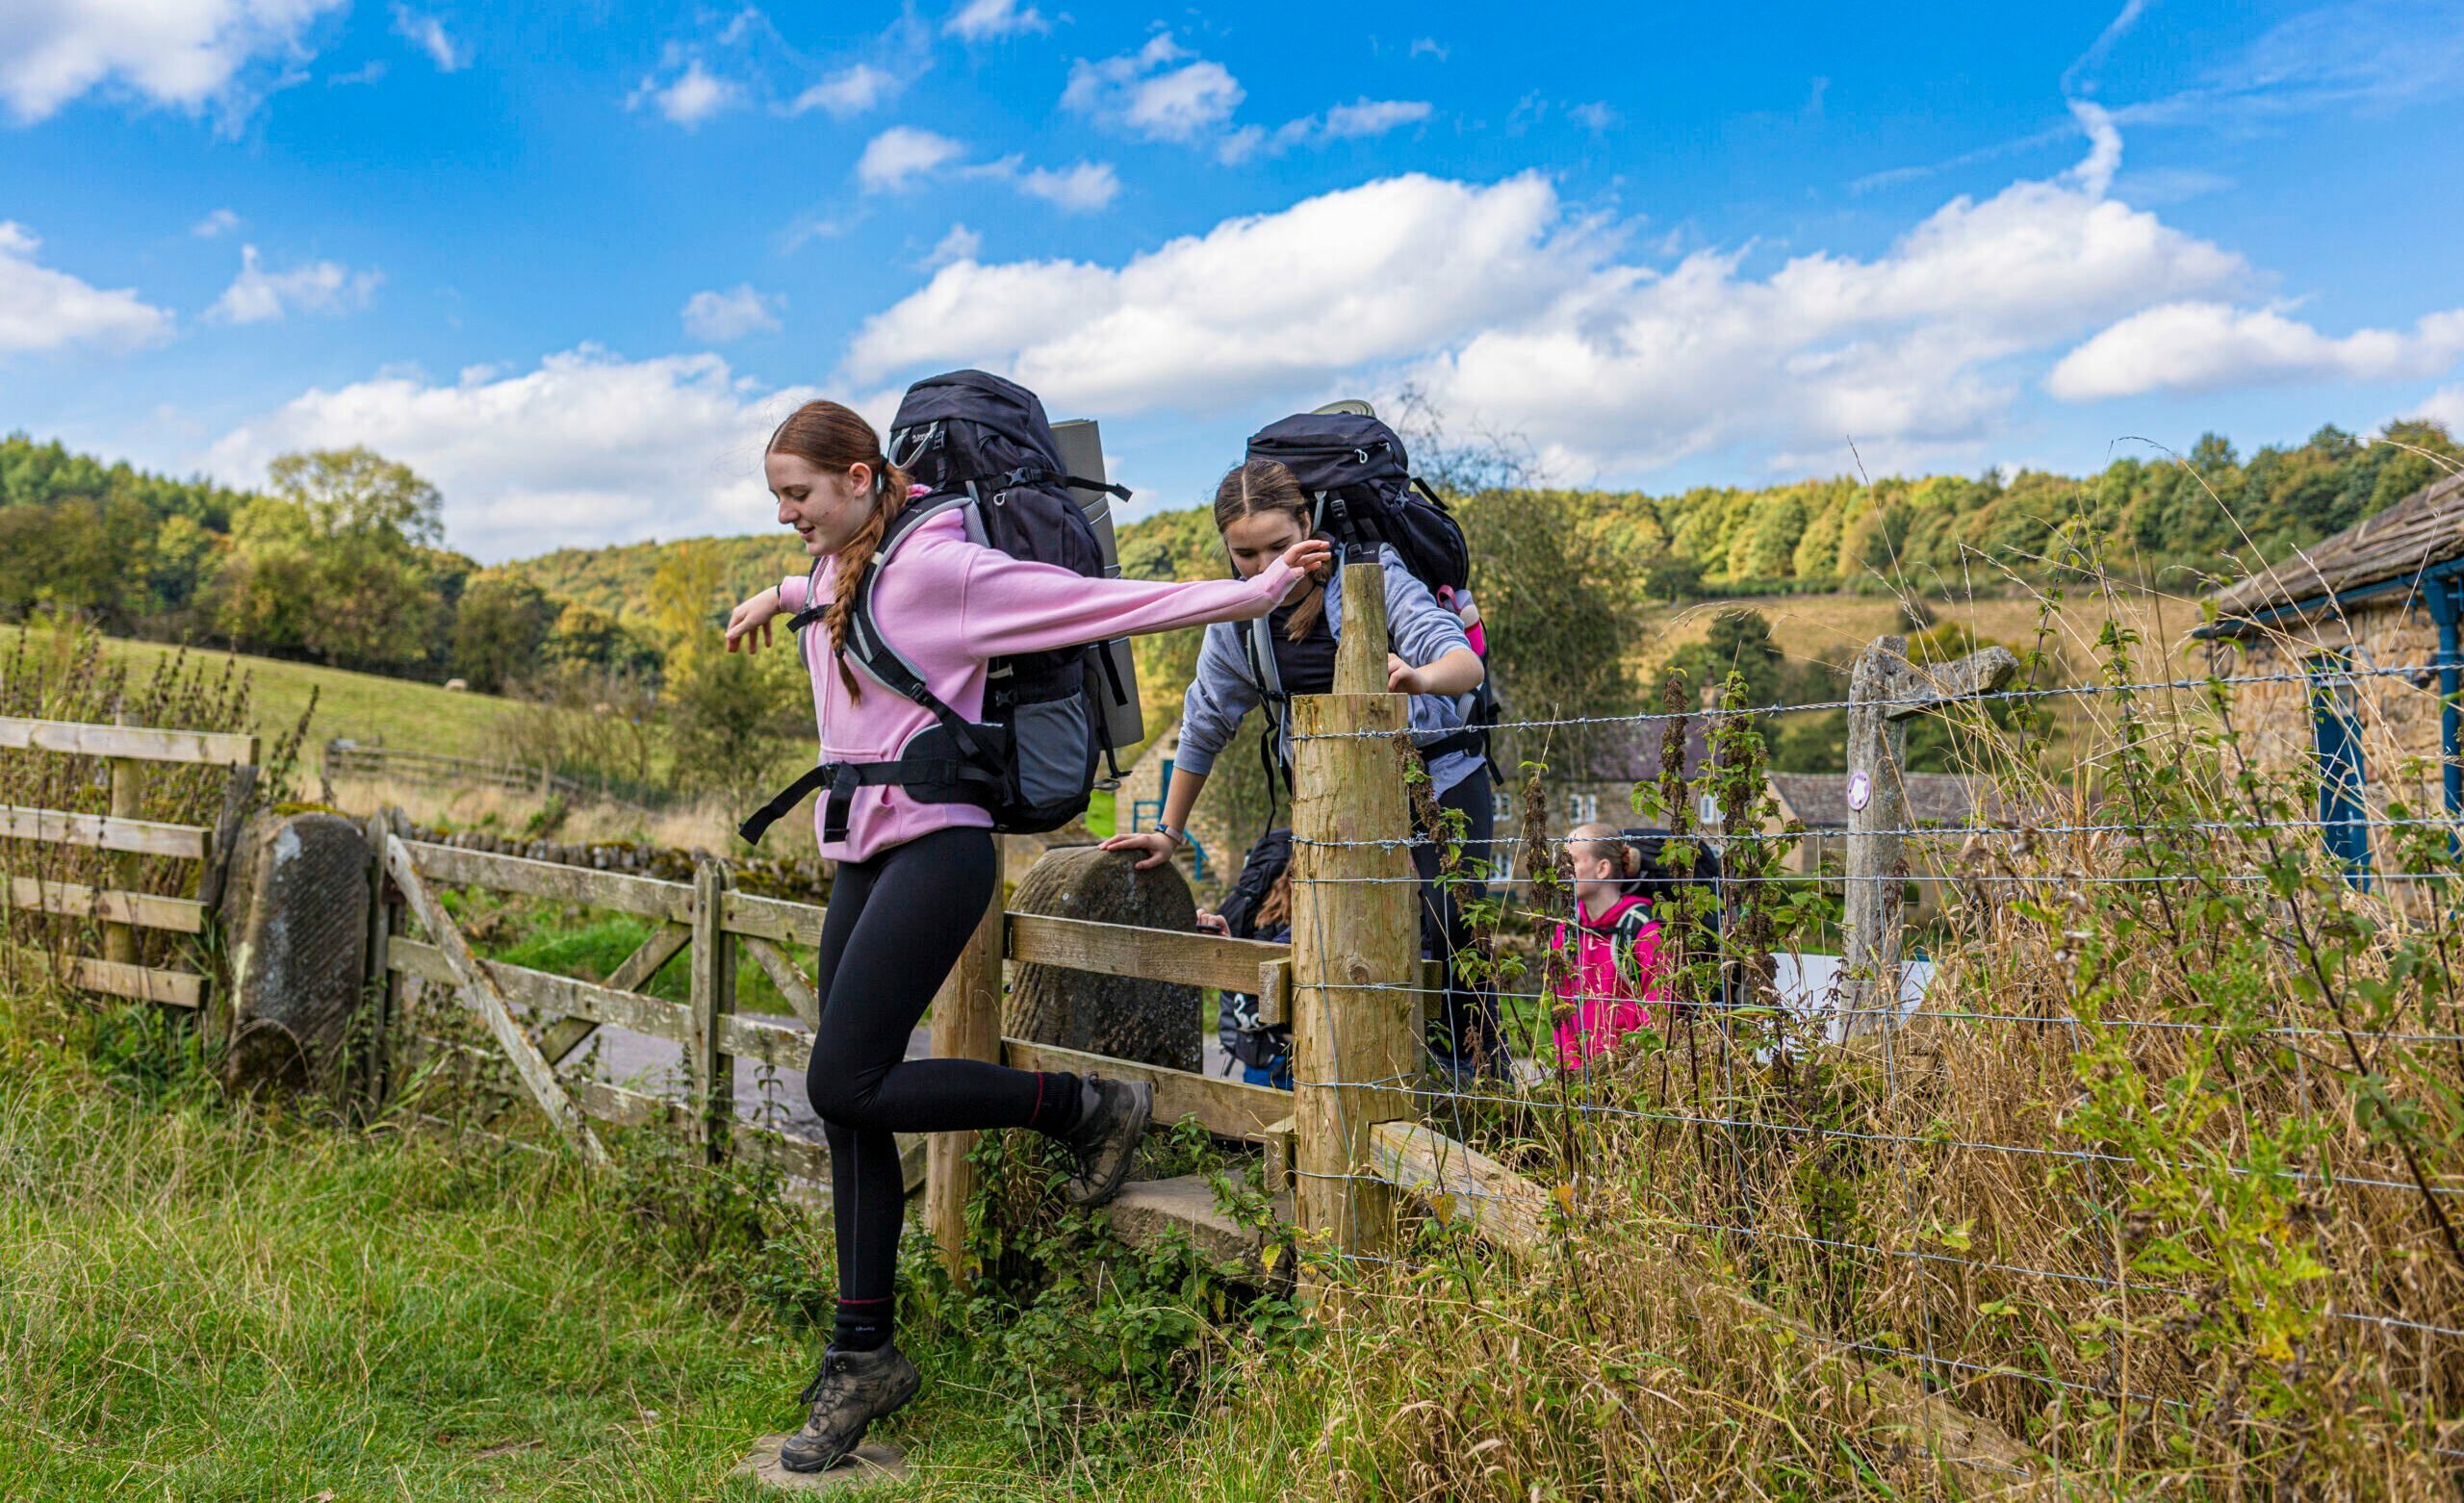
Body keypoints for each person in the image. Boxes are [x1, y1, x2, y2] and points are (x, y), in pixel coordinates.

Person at [723, 400, 1331, 1473]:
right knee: (852, 1105)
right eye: (777, 497)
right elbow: (823, 589)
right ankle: (861, 1348)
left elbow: (1105, 602)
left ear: (862, 478)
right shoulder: (839, 565)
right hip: (859, 849)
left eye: (798, 495)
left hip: (935, 851)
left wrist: (1255, 590)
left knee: (841, 1084)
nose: (786, 516)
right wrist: (772, 595)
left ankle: (1084, 1104)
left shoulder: (942, 570)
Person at [1099, 458, 1504, 1079]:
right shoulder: (1238, 622)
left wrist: (1417, 677)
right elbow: (1204, 724)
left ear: (1309, 522)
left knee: (1448, 921)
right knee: (1335, 936)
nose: (1266, 568)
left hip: (1438, 781)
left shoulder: (1375, 576)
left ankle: (1477, 1084)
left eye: (1281, 546)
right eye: (1245, 554)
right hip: (1331, 801)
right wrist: (1169, 832)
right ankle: (1353, 1084)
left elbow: (1463, 664)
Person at [1551, 823, 1666, 1069]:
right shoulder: (1566, 932)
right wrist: (1572, 1075)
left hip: (1633, 1078)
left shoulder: (1643, 932)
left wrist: (1632, 1073)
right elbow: (1561, 1008)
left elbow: (1658, 1014)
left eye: (1571, 861)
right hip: (1580, 1083)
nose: (1561, 870)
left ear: (1602, 869)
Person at [1197, 828, 1293, 1088]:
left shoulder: (1263, 915)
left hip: (1260, 1052)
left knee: (1257, 1121)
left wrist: (1233, 949)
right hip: (1280, 1052)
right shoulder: (1288, 923)